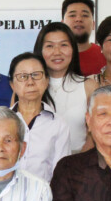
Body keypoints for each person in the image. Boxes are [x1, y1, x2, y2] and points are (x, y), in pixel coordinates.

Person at [9, 53, 70, 182]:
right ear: (12, 85)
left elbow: (62, 175)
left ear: (47, 81)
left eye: (36, 75)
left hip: (43, 199)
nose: (30, 82)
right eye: (22, 76)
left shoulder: (58, 124)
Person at [34, 22, 89, 153]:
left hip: (78, 165)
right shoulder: (28, 87)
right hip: (38, 166)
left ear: (73, 49)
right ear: (40, 50)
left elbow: (96, 132)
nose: (57, 52)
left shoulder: (89, 86)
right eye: (49, 46)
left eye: (63, 45)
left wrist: (79, 163)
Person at [62, 0, 105, 76]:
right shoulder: (53, 57)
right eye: (72, 15)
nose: (78, 19)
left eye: (85, 15)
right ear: (62, 23)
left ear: (93, 24)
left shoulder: (105, 55)